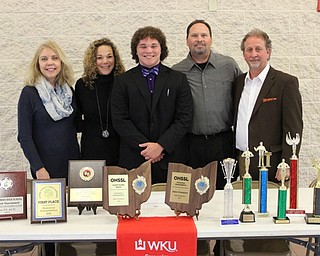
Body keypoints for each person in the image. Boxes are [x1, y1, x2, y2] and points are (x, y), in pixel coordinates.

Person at [17, 40, 80, 256]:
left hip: (72, 166)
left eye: (54, 58)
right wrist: (38, 167)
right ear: (37, 64)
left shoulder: (69, 92)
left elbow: (76, 126)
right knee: (50, 225)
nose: (50, 63)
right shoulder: (29, 94)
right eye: (44, 59)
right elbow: (24, 136)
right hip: (46, 169)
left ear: (61, 62)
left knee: (71, 223)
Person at [111, 26, 193, 184]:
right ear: (136, 50)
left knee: (171, 208)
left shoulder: (178, 79)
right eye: (143, 46)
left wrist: (161, 146)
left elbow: (184, 118)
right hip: (135, 160)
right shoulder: (122, 82)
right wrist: (147, 150)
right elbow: (120, 120)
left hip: (171, 159)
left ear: (162, 49)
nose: (149, 50)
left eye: (154, 45)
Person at [172, 19, 242, 190]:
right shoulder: (176, 72)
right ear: (187, 40)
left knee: (224, 190)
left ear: (211, 39)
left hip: (223, 142)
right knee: (192, 193)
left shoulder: (228, 66)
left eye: (204, 35)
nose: (199, 39)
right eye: (194, 35)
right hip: (190, 144)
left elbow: (243, 96)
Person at [234, 28, 303, 182]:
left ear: (268, 52)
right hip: (243, 161)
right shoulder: (238, 83)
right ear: (244, 54)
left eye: (258, 49)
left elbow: (293, 127)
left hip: (273, 163)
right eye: (249, 50)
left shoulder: (286, 83)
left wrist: (286, 163)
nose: (253, 54)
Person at [75, 38, 125, 165]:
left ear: (115, 59)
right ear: (93, 61)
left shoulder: (124, 83)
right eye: (99, 57)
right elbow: (76, 118)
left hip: (120, 149)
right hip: (91, 149)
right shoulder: (82, 85)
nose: (105, 62)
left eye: (109, 57)